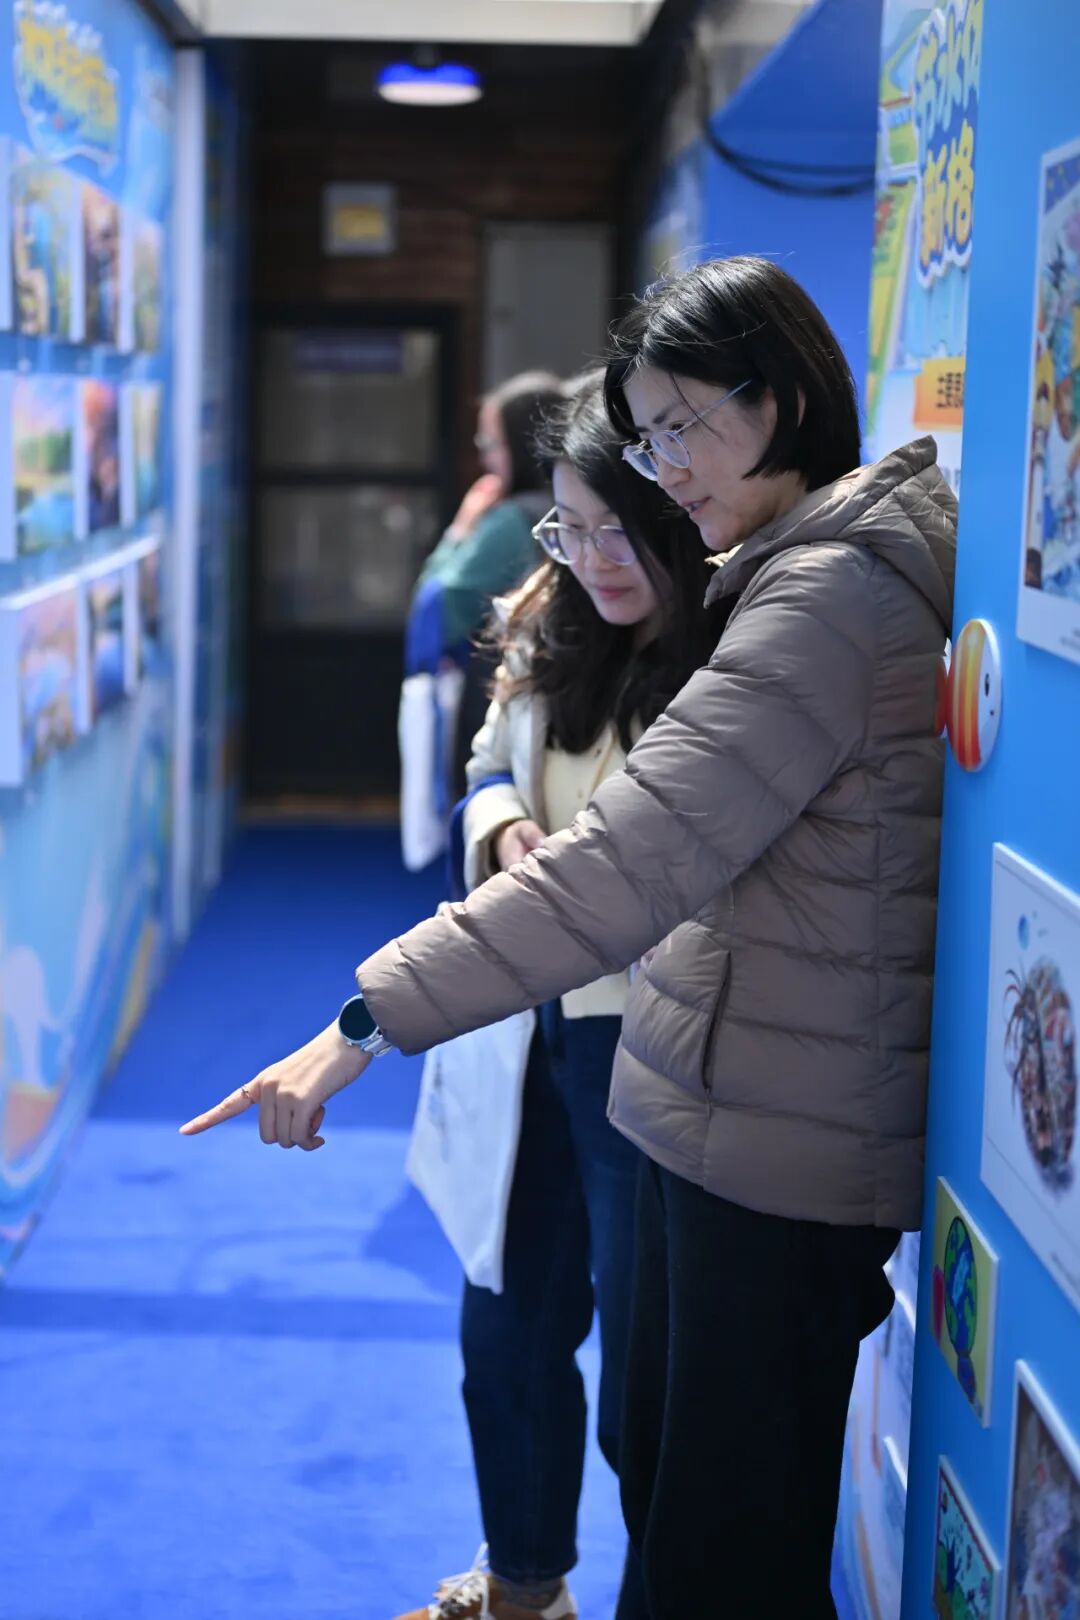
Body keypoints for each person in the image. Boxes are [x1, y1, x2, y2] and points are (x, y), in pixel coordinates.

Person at [182, 257, 957, 1620]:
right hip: (717, 1105)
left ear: (778, 398)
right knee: (664, 1478)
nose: (665, 473)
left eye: (680, 430)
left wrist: (363, 1024)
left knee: (716, 1549)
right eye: (644, 441)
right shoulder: (779, 575)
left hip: (769, 1145)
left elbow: (619, 866)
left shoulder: (824, 601)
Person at [399, 374, 720, 1620]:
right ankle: (526, 1589)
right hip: (528, 1024)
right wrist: (498, 825)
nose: (592, 559)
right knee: (506, 1331)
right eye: (568, 528)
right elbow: (488, 758)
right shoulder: (550, 621)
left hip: (654, 1048)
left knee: (649, 1375)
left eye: (618, 531)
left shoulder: (733, 650)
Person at [404, 370, 566, 804]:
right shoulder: (571, 503)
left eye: (491, 443)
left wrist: (461, 529)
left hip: (505, 700)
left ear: (523, 443)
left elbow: (436, 608)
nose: (485, 458)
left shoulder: (511, 520)